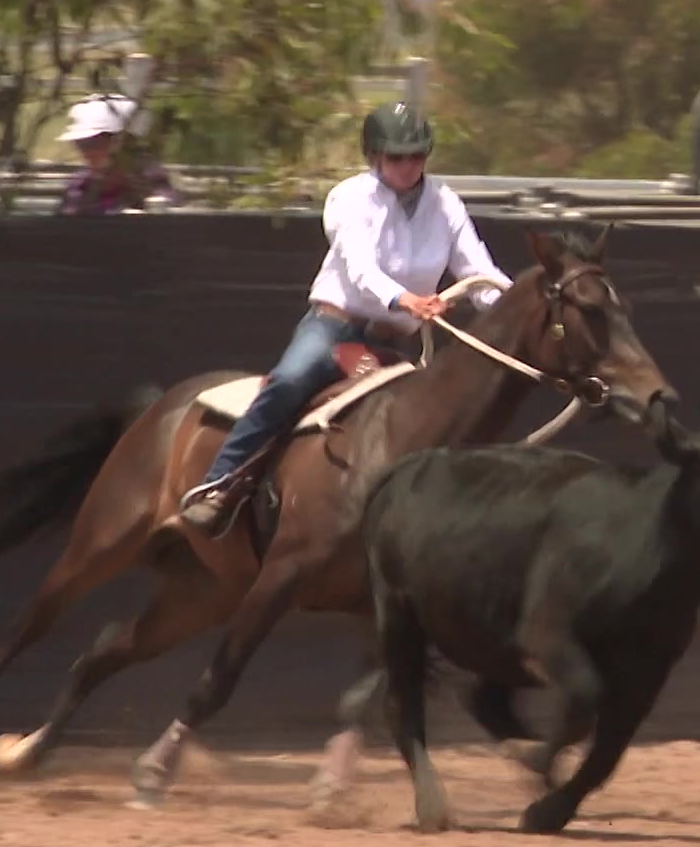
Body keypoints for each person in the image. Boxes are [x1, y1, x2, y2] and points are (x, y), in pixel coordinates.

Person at [178, 100, 515, 535]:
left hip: (390, 344)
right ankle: (219, 482)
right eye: (397, 156)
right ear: (374, 156)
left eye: (417, 155)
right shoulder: (349, 198)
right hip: (335, 330)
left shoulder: (445, 203)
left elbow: (479, 273)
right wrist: (406, 300)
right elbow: (359, 268)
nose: (409, 165)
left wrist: (515, 301)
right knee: (291, 380)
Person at [54, 93, 180, 216]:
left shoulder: (151, 180)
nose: (87, 153)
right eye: (80, 144)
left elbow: (168, 216)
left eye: (92, 143)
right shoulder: (80, 186)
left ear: (125, 143)